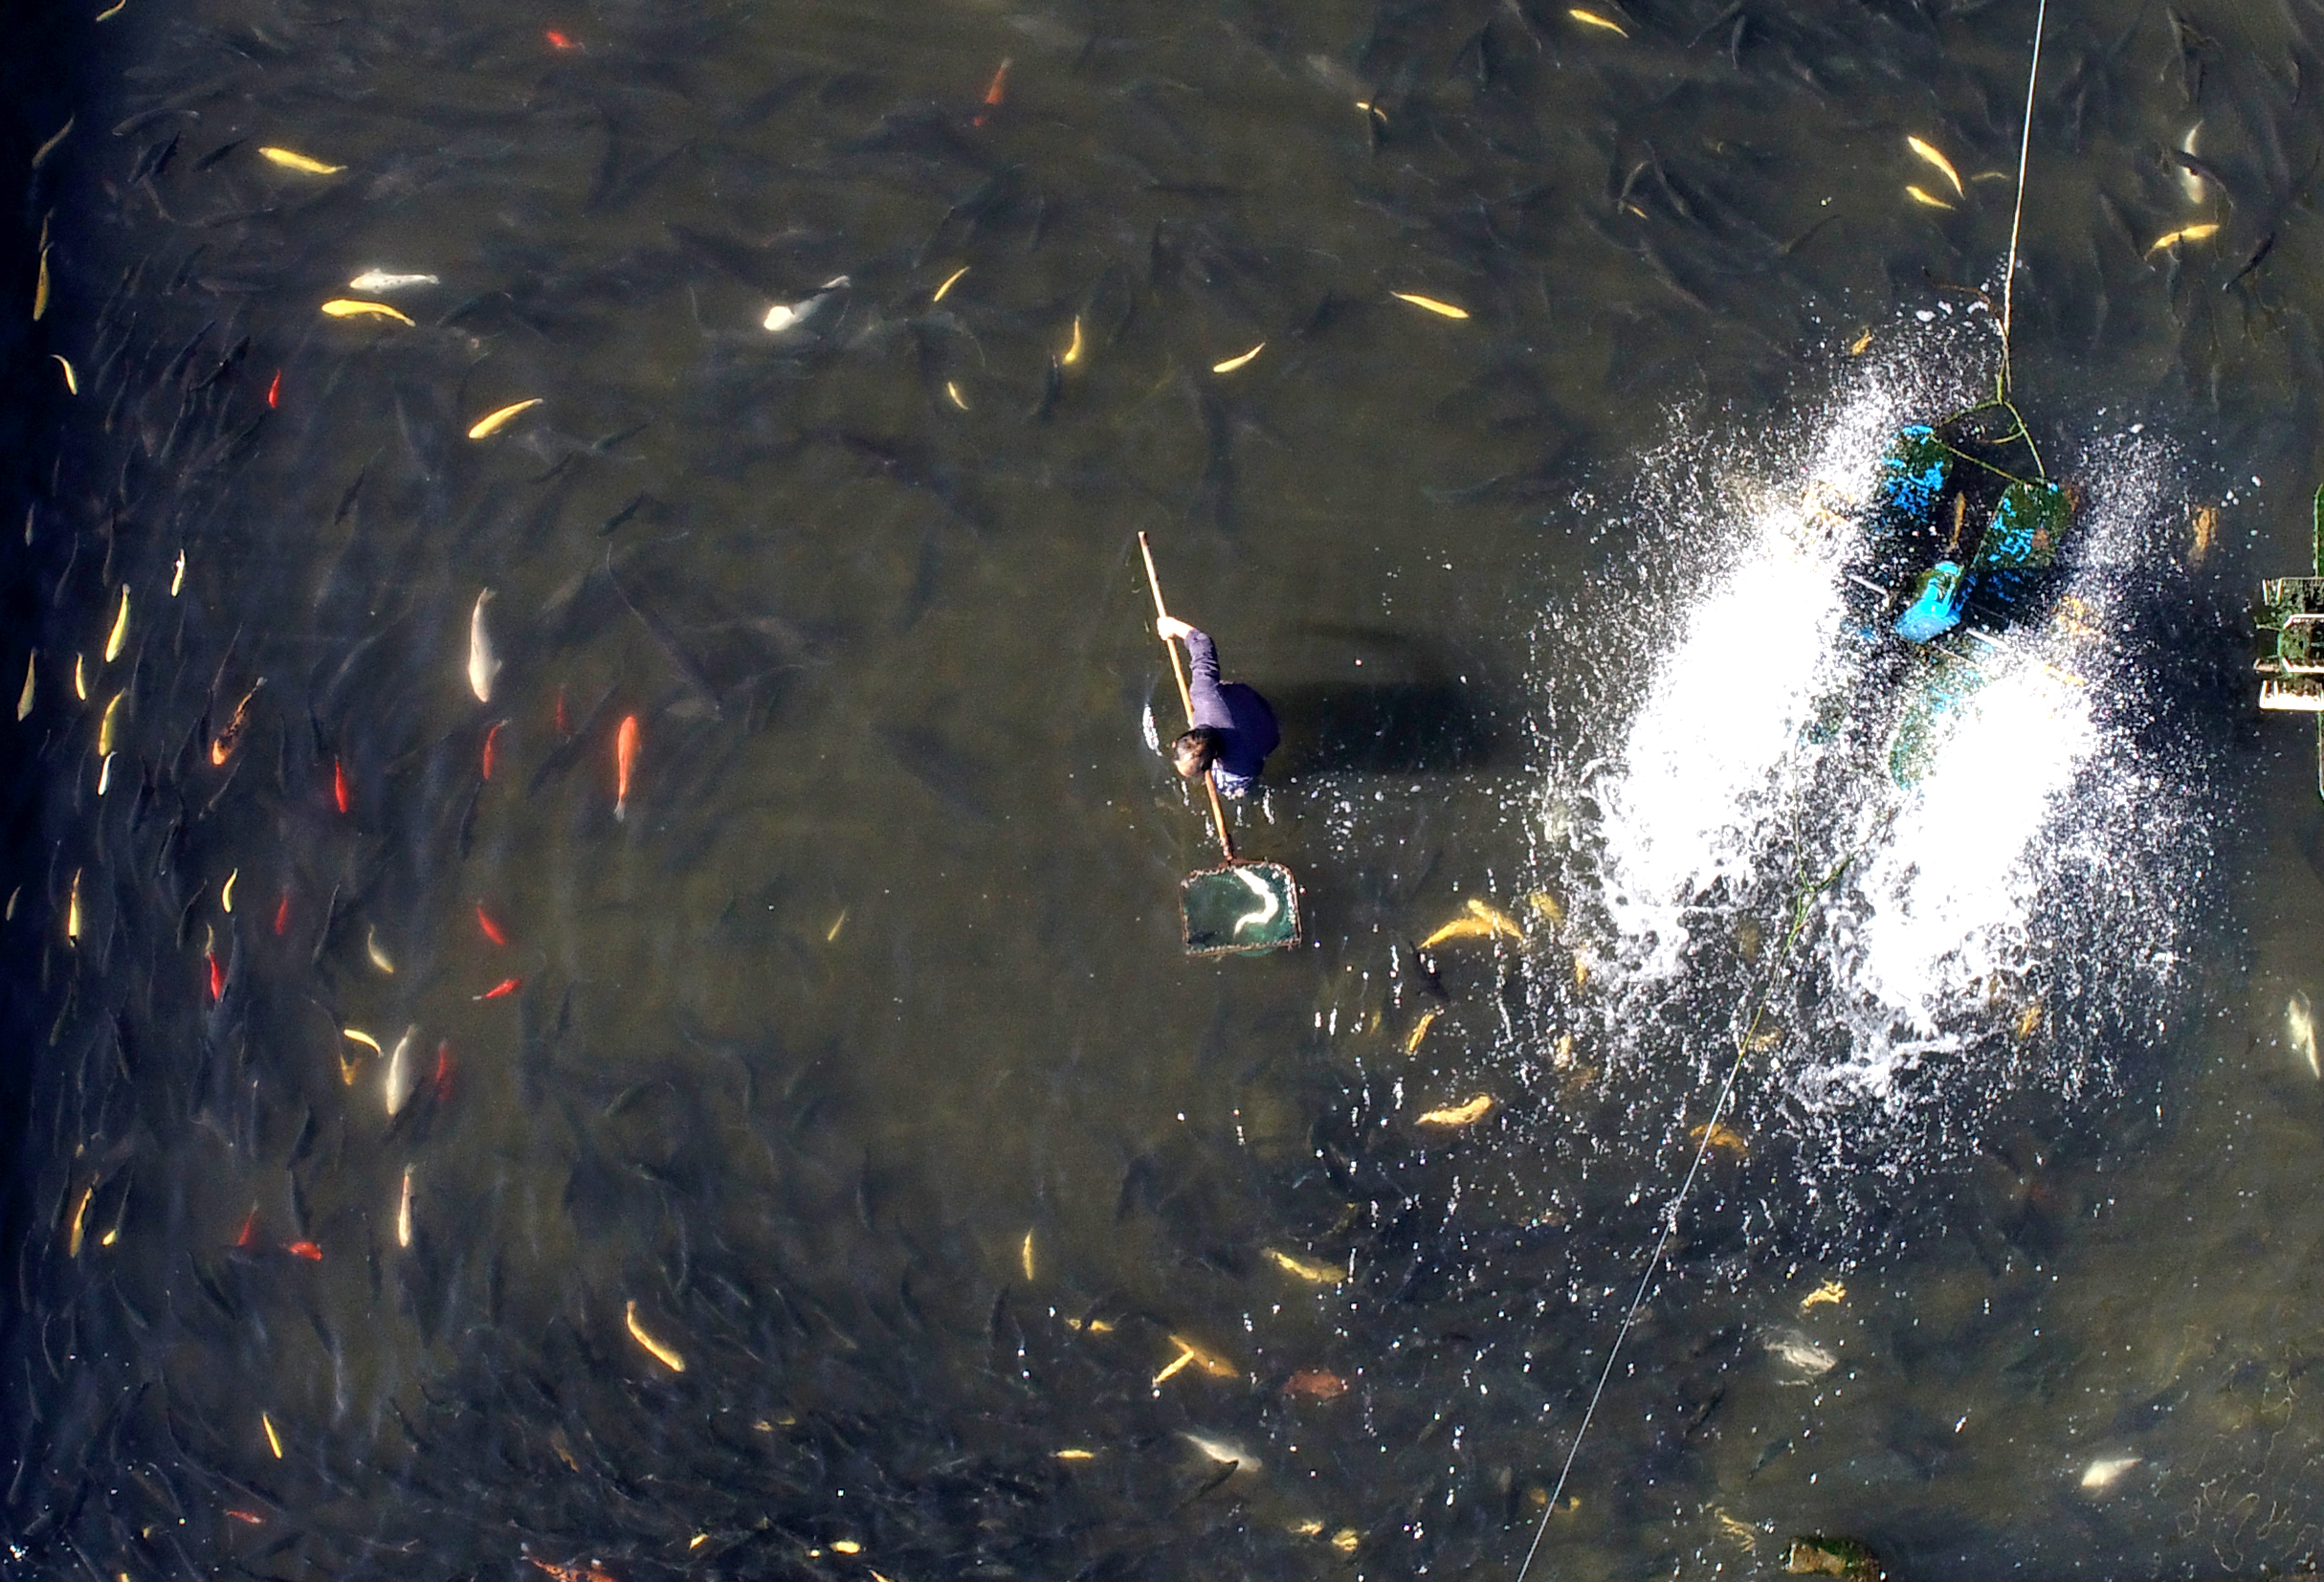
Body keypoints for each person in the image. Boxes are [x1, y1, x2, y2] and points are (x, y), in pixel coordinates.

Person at [1156, 615, 1278, 798]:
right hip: (1258, 708)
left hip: (1269, 737)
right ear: (1177, 742)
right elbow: (1202, 643)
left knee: (1230, 786)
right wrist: (1171, 626)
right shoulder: (1205, 694)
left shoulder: (1236, 766)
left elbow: (1257, 767)